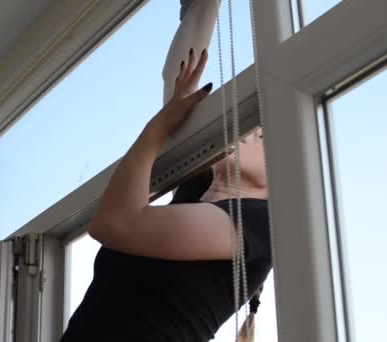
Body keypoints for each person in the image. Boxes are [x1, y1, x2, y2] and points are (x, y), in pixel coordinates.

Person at [60, 2, 272, 341]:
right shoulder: (196, 195)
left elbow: (115, 223)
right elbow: (179, 79)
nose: (255, 130)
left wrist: (157, 127)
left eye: (269, 132)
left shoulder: (261, 221)